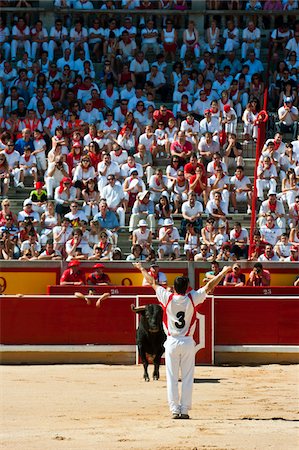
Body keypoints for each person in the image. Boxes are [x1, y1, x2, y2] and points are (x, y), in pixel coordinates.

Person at [133, 261, 232, 419]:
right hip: (187, 342)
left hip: (172, 342)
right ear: (187, 288)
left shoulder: (167, 297)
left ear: (174, 286)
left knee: (172, 377)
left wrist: (140, 268)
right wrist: (223, 272)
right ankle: (184, 410)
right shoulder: (192, 298)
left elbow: (151, 282)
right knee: (187, 377)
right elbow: (209, 286)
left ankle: (174, 409)